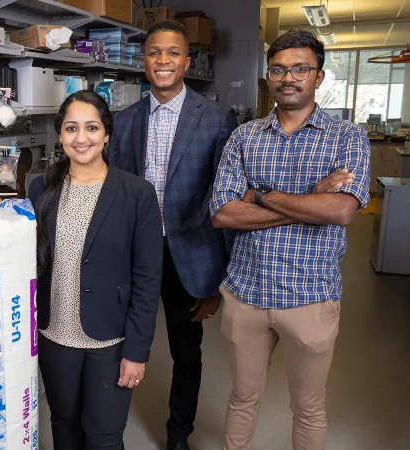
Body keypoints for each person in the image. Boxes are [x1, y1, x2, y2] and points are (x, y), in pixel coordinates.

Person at [0, 90, 163, 450]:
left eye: (91, 127)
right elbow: (21, 246)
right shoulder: (41, 187)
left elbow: (148, 280)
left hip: (110, 339)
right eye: (71, 128)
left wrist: (136, 352)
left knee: (104, 435)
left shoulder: (137, 193)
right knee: (63, 423)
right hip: (55, 335)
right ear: (60, 136)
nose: (81, 138)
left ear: (106, 134)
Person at [210, 30, 370, 450]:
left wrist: (260, 195)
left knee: (309, 407)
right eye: (279, 69)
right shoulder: (244, 138)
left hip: (311, 296)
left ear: (319, 77)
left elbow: (341, 211)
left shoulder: (347, 138)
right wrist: (310, 198)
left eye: (301, 68)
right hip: (247, 293)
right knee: (243, 399)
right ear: (268, 77)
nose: (289, 77)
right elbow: (224, 213)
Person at [108, 20, 238, 450]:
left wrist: (217, 279)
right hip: (135, 253)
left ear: (187, 60)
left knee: (187, 353)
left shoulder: (218, 118)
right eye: (153, 53)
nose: (162, 60)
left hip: (190, 255)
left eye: (172, 53)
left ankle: (178, 434)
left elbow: (223, 198)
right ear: (144, 61)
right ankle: (109, 429)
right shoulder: (124, 121)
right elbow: (111, 190)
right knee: (116, 343)